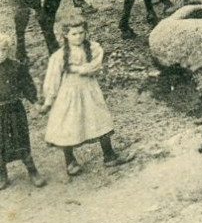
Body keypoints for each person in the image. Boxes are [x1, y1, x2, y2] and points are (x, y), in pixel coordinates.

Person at [41, 12, 134, 176]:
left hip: (89, 90)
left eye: (81, 33)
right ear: (66, 35)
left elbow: (94, 67)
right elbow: (53, 79)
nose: (78, 37)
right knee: (68, 124)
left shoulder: (94, 48)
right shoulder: (59, 56)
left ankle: (109, 155)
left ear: (86, 32)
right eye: (74, 34)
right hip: (69, 94)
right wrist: (49, 100)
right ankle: (70, 161)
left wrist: (78, 68)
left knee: (100, 118)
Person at [0, 32, 45, 190]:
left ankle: (32, 170)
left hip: (14, 109)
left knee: (21, 138)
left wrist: (35, 102)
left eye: (3, 50)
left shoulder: (16, 66)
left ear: (8, 50)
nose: (0, 54)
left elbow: (27, 85)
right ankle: (2, 173)